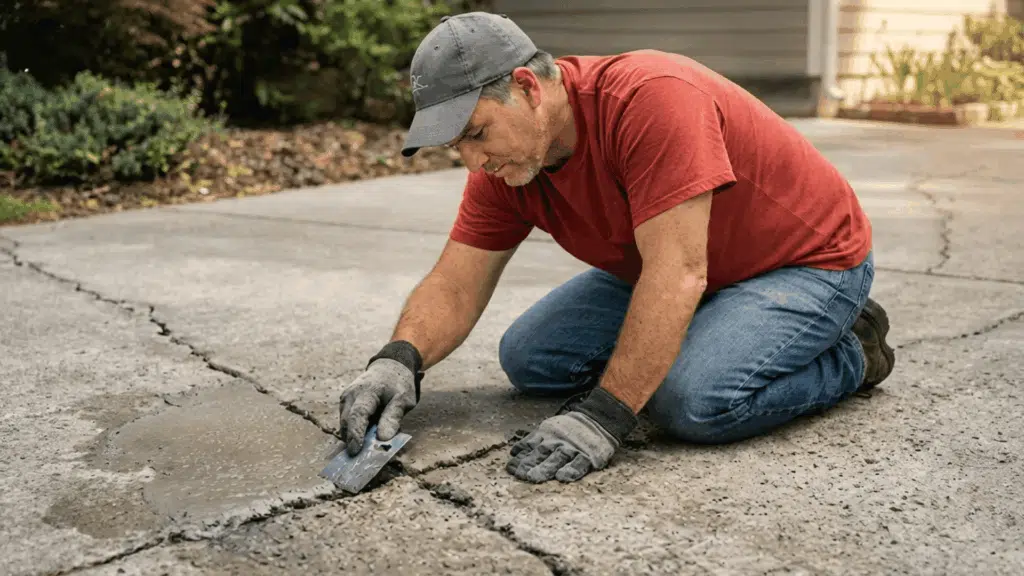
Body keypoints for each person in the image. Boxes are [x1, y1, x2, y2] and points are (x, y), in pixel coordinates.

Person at [337, 12, 896, 484]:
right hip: (684, 266)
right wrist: (399, 359)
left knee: (691, 402)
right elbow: (457, 281)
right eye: (457, 145)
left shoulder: (650, 100)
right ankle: (709, 327)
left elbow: (677, 273)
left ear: (529, 89)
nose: (473, 162)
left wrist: (606, 415)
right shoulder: (506, 168)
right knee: (531, 358)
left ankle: (853, 351)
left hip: (805, 263)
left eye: (477, 134)